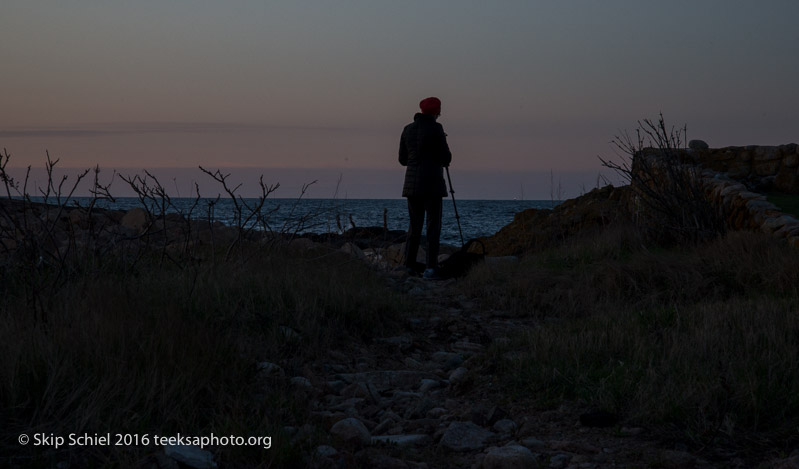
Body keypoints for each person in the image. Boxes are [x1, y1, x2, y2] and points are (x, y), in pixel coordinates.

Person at [399, 97, 452, 279]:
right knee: (433, 226)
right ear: (436, 112)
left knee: (414, 226)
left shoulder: (407, 129)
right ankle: (430, 268)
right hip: (432, 185)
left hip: (412, 186)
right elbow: (446, 158)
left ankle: (408, 265)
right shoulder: (436, 129)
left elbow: (402, 159)